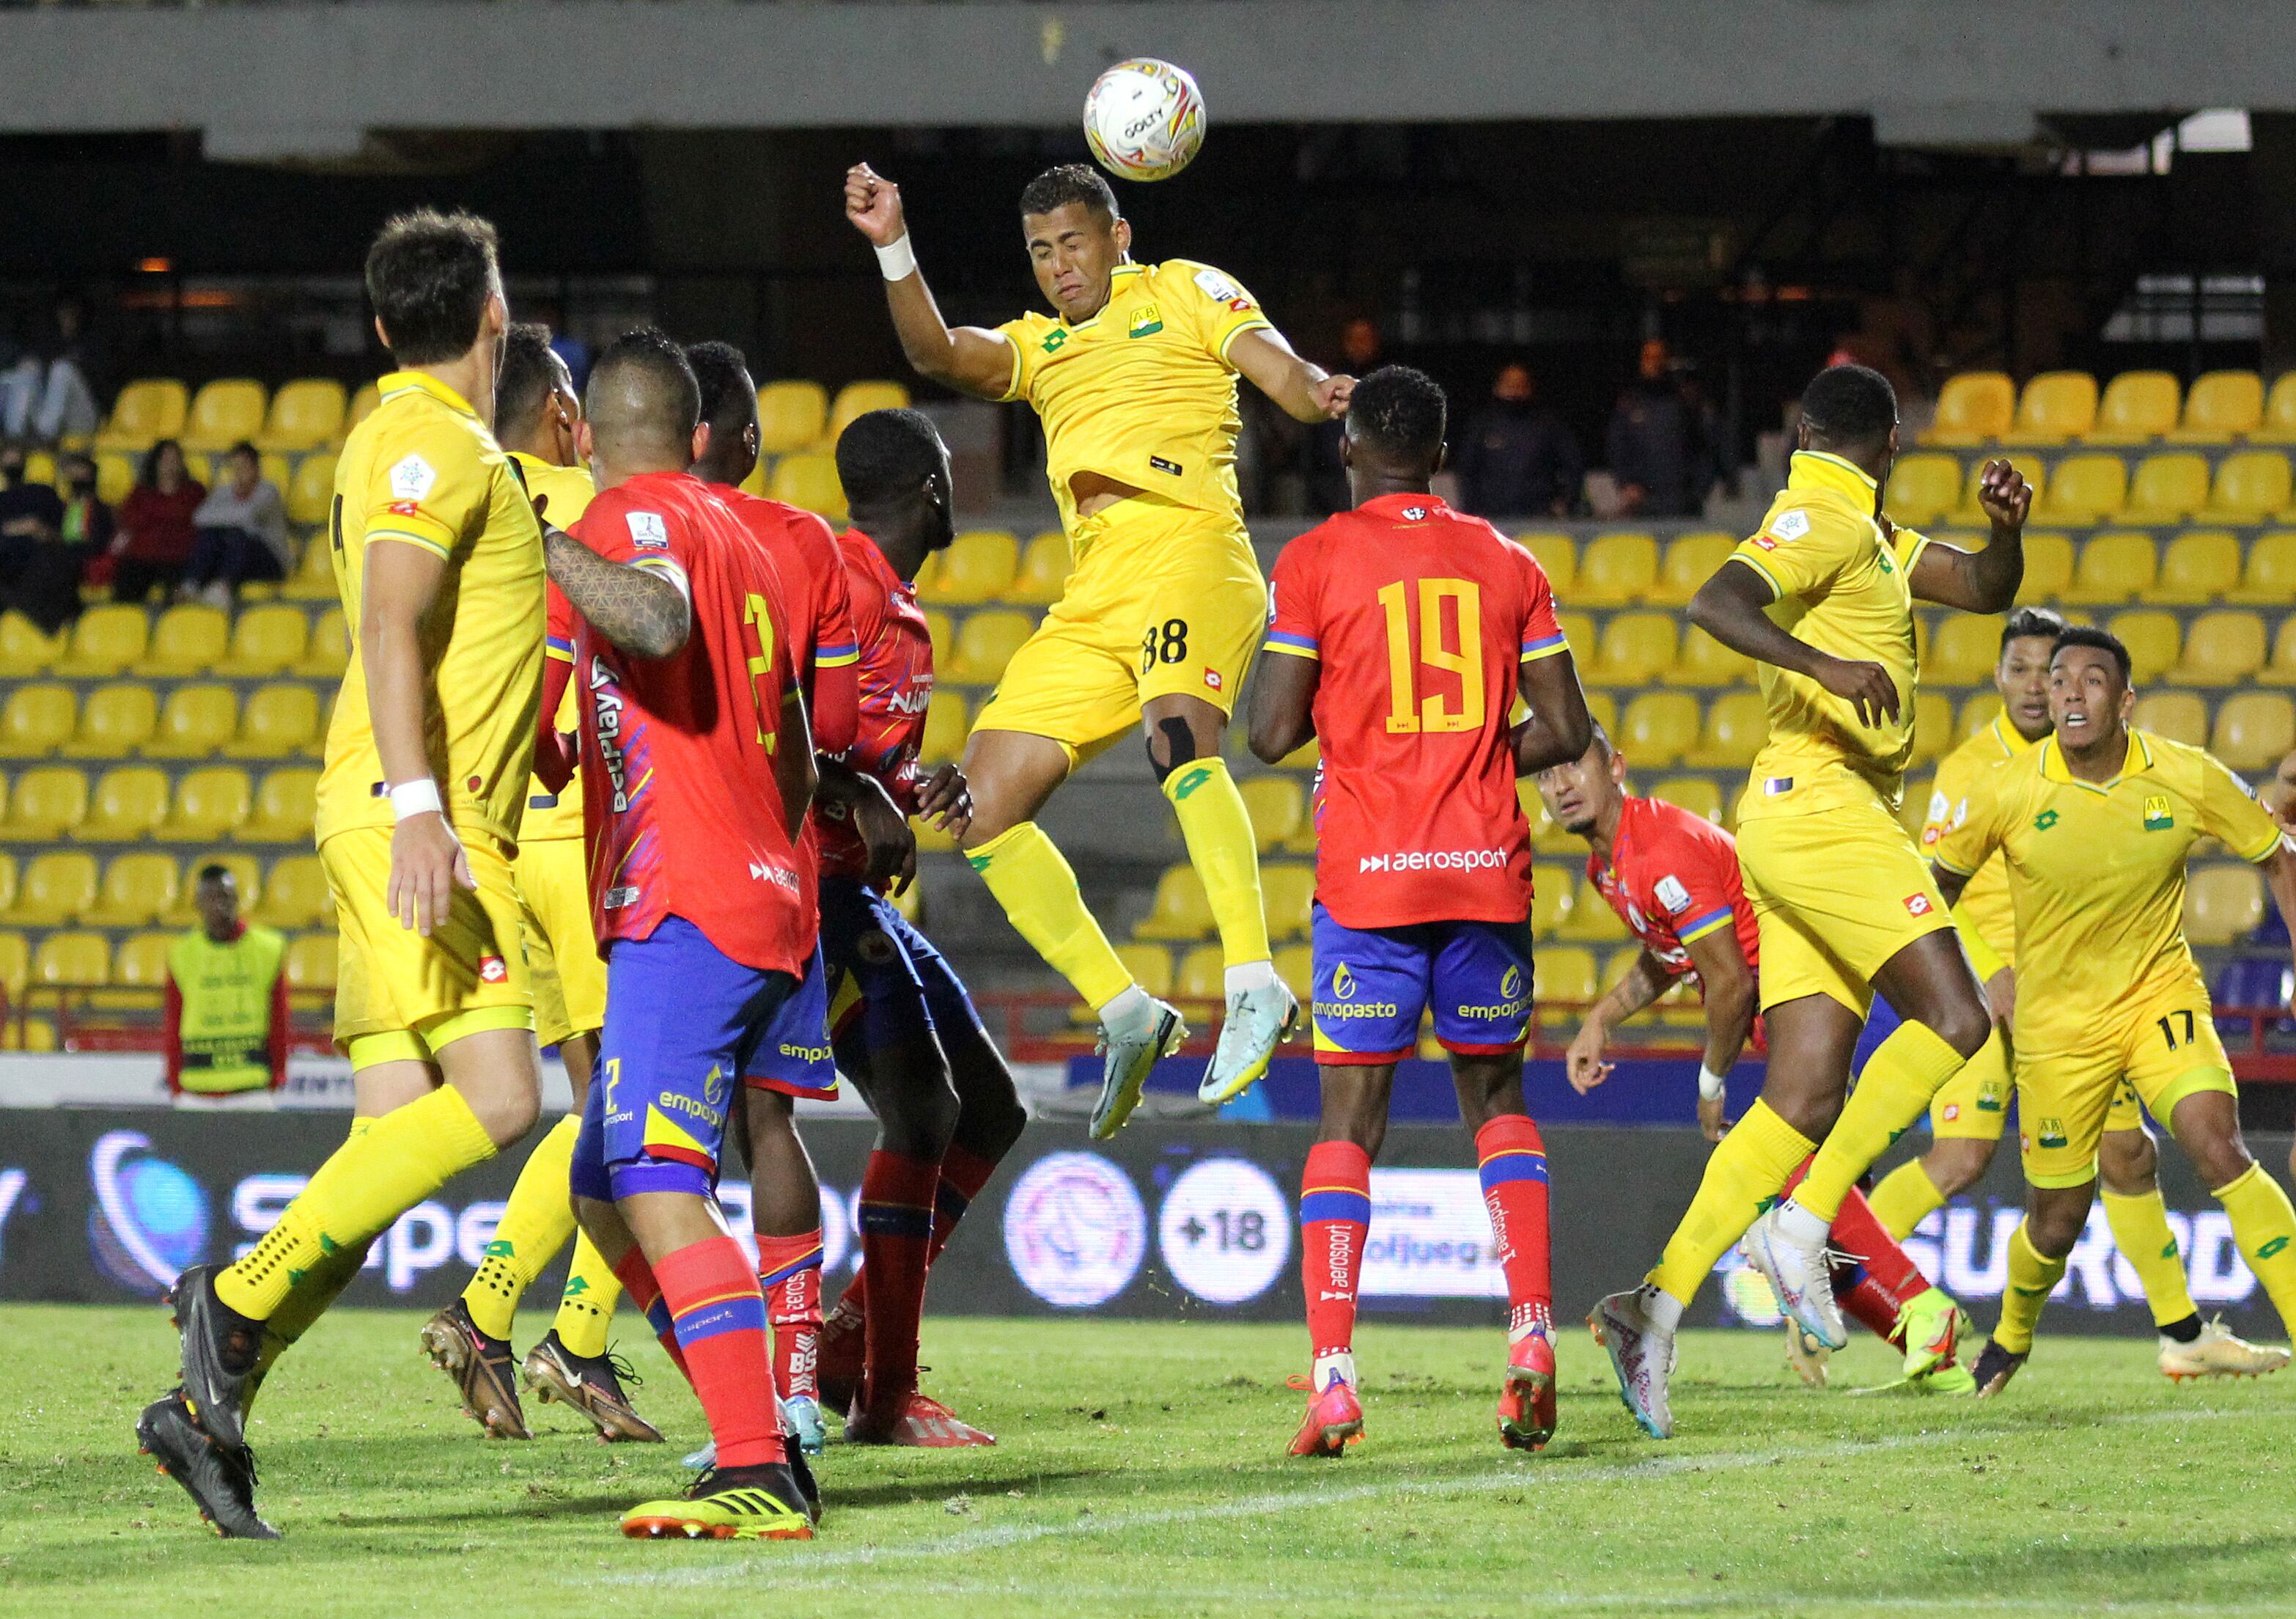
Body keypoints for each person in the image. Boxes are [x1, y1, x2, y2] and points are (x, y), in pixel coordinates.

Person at [139, 208, 550, 1541]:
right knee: (499, 1097)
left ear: (382, 325)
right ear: (494, 313)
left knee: (390, 1143)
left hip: (385, 806)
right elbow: (386, 616)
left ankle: (209, 1414)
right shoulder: (436, 437)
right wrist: (426, 806)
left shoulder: (404, 431)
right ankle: (234, 1303)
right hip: (406, 818)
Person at [845, 159, 1352, 1134]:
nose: (1058, 266)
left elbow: (1277, 368)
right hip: (1097, 592)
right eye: (1041, 251)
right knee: (983, 809)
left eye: (1073, 242)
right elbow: (944, 355)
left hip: (1193, 548)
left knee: (1177, 739)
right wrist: (892, 247)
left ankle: (1254, 981)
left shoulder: (1184, 289)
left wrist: (1321, 390)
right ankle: (1129, 1013)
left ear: (1117, 238)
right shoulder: (1040, 348)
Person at [1583, 363, 2028, 1438]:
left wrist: (2005, 531)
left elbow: (1982, 588)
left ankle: (1655, 1306)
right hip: (1825, 806)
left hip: (1801, 820)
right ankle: (1808, 1222)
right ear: (1887, 443)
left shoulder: (1876, 534)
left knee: (1805, 1096)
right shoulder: (1821, 515)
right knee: (1964, 1022)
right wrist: (1824, 665)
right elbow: (1716, 603)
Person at [1245, 365, 1592, 1458]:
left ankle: (1336, 1379)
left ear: (1348, 447)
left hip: (1371, 884)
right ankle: (1532, 1337)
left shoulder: (1313, 562)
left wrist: (1366, 732)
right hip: (1484, 873)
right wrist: (1478, 754)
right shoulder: (1508, 561)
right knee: (1497, 1100)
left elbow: (1264, 733)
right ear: (1441, 454)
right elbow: (1569, 724)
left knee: (1350, 1124)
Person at [548, 329, 822, 1540]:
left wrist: (542, 541)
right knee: (601, 1175)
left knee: (656, 1179)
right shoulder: (750, 540)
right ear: (700, 431)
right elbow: (801, 747)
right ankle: (756, 1420)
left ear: (587, 438)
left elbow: (651, 625)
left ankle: (756, 1458)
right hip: (766, 889)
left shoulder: (623, 524)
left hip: (686, 899)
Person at [1868, 609, 2278, 1379]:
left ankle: (2183, 1332)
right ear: (2005, 680)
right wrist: (1977, 977)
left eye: (2062, 675)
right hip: (2017, 1004)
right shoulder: (1982, 778)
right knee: (1995, 1182)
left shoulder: (2162, 771)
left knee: (2166, 1149)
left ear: (2121, 699)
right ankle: (1877, 1285)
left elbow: (2267, 848)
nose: (2047, 689)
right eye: (2035, 674)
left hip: (2127, 997)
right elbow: (1933, 893)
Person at [1537, 730, 1971, 1414]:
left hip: (1795, 996)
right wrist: (1602, 1018)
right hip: (1784, 1001)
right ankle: (1923, 1331)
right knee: (1799, 1193)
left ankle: (1919, 1313)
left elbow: (1730, 982)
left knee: (1792, 1180)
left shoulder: (1662, 849)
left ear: (1616, 768)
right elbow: (1672, 954)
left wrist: (1711, 1082)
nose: (1561, 784)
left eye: (1574, 766)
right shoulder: (1611, 867)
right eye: (1545, 775)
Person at [419, 323, 659, 1446]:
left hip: (497, 830)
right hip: (585, 834)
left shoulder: (454, 493)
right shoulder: (583, 494)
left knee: (597, 1103)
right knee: (634, 1105)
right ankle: (552, 1327)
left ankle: (518, 1322)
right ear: (567, 413)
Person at [680, 337, 861, 1455]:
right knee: (768, 1117)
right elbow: (834, 731)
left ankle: (732, 1400)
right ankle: (791, 1386)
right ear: (743, 437)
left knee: (653, 1147)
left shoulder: (630, 534)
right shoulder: (806, 542)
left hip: (658, 867)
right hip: (778, 862)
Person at [163, 864, 290, 1101]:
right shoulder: (181, 954)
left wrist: (277, 1075)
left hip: (252, 1087)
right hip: (196, 1088)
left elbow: (279, 1017)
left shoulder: (268, 949)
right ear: (197, 904)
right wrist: (175, 1082)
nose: (219, 905)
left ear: (237, 899)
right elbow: (173, 1019)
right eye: (210, 898)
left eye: (225, 897)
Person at [1454, 362, 1583, 519]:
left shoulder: (1549, 426)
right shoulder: (1482, 426)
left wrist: (1565, 504)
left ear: (1529, 388)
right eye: (1509, 386)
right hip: (1492, 518)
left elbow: (1573, 466)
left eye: (1520, 386)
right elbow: (1467, 470)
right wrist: (1472, 510)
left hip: (1540, 518)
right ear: (1497, 388)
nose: (1514, 391)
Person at [1605, 339, 1707, 518]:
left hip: (1680, 499)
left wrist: (1698, 489)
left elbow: (1702, 447)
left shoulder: (1683, 403)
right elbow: (1617, 448)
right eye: (1649, 357)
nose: (1654, 363)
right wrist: (1626, 483)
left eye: (1659, 357)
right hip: (1641, 499)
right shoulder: (1629, 404)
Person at [184, 440, 292, 603]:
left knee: (237, 536)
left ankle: (223, 585)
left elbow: (247, 516)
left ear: (256, 468)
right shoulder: (224, 492)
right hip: (239, 560)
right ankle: (191, 585)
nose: (239, 474)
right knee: (209, 536)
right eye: (235, 469)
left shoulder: (268, 492)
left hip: (270, 561)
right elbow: (199, 517)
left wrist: (222, 516)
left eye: (244, 468)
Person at [111, 438, 204, 603]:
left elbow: (198, 520)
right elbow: (129, 519)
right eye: (165, 460)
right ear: (155, 463)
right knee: (125, 584)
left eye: (175, 460)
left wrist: (154, 514)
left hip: (179, 559)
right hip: (143, 558)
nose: (170, 465)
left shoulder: (194, 491)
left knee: (178, 595)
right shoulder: (141, 492)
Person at [0, 444, 79, 634]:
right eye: (8, 460)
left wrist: (41, 530)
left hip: (41, 559)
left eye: (17, 461)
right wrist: (16, 528)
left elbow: (62, 534)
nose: (13, 466)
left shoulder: (43, 493)